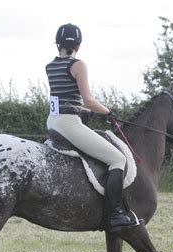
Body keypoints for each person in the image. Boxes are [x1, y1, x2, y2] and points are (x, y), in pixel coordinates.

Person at [45, 23, 139, 232]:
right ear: (78, 44)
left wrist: (86, 113)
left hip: (53, 121)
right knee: (118, 159)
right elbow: (88, 99)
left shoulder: (50, 65)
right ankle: (115, 214)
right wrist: (107, 112)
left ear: (57, 43)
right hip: (69, 124)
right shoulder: (79, 65)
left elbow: (64, 98)